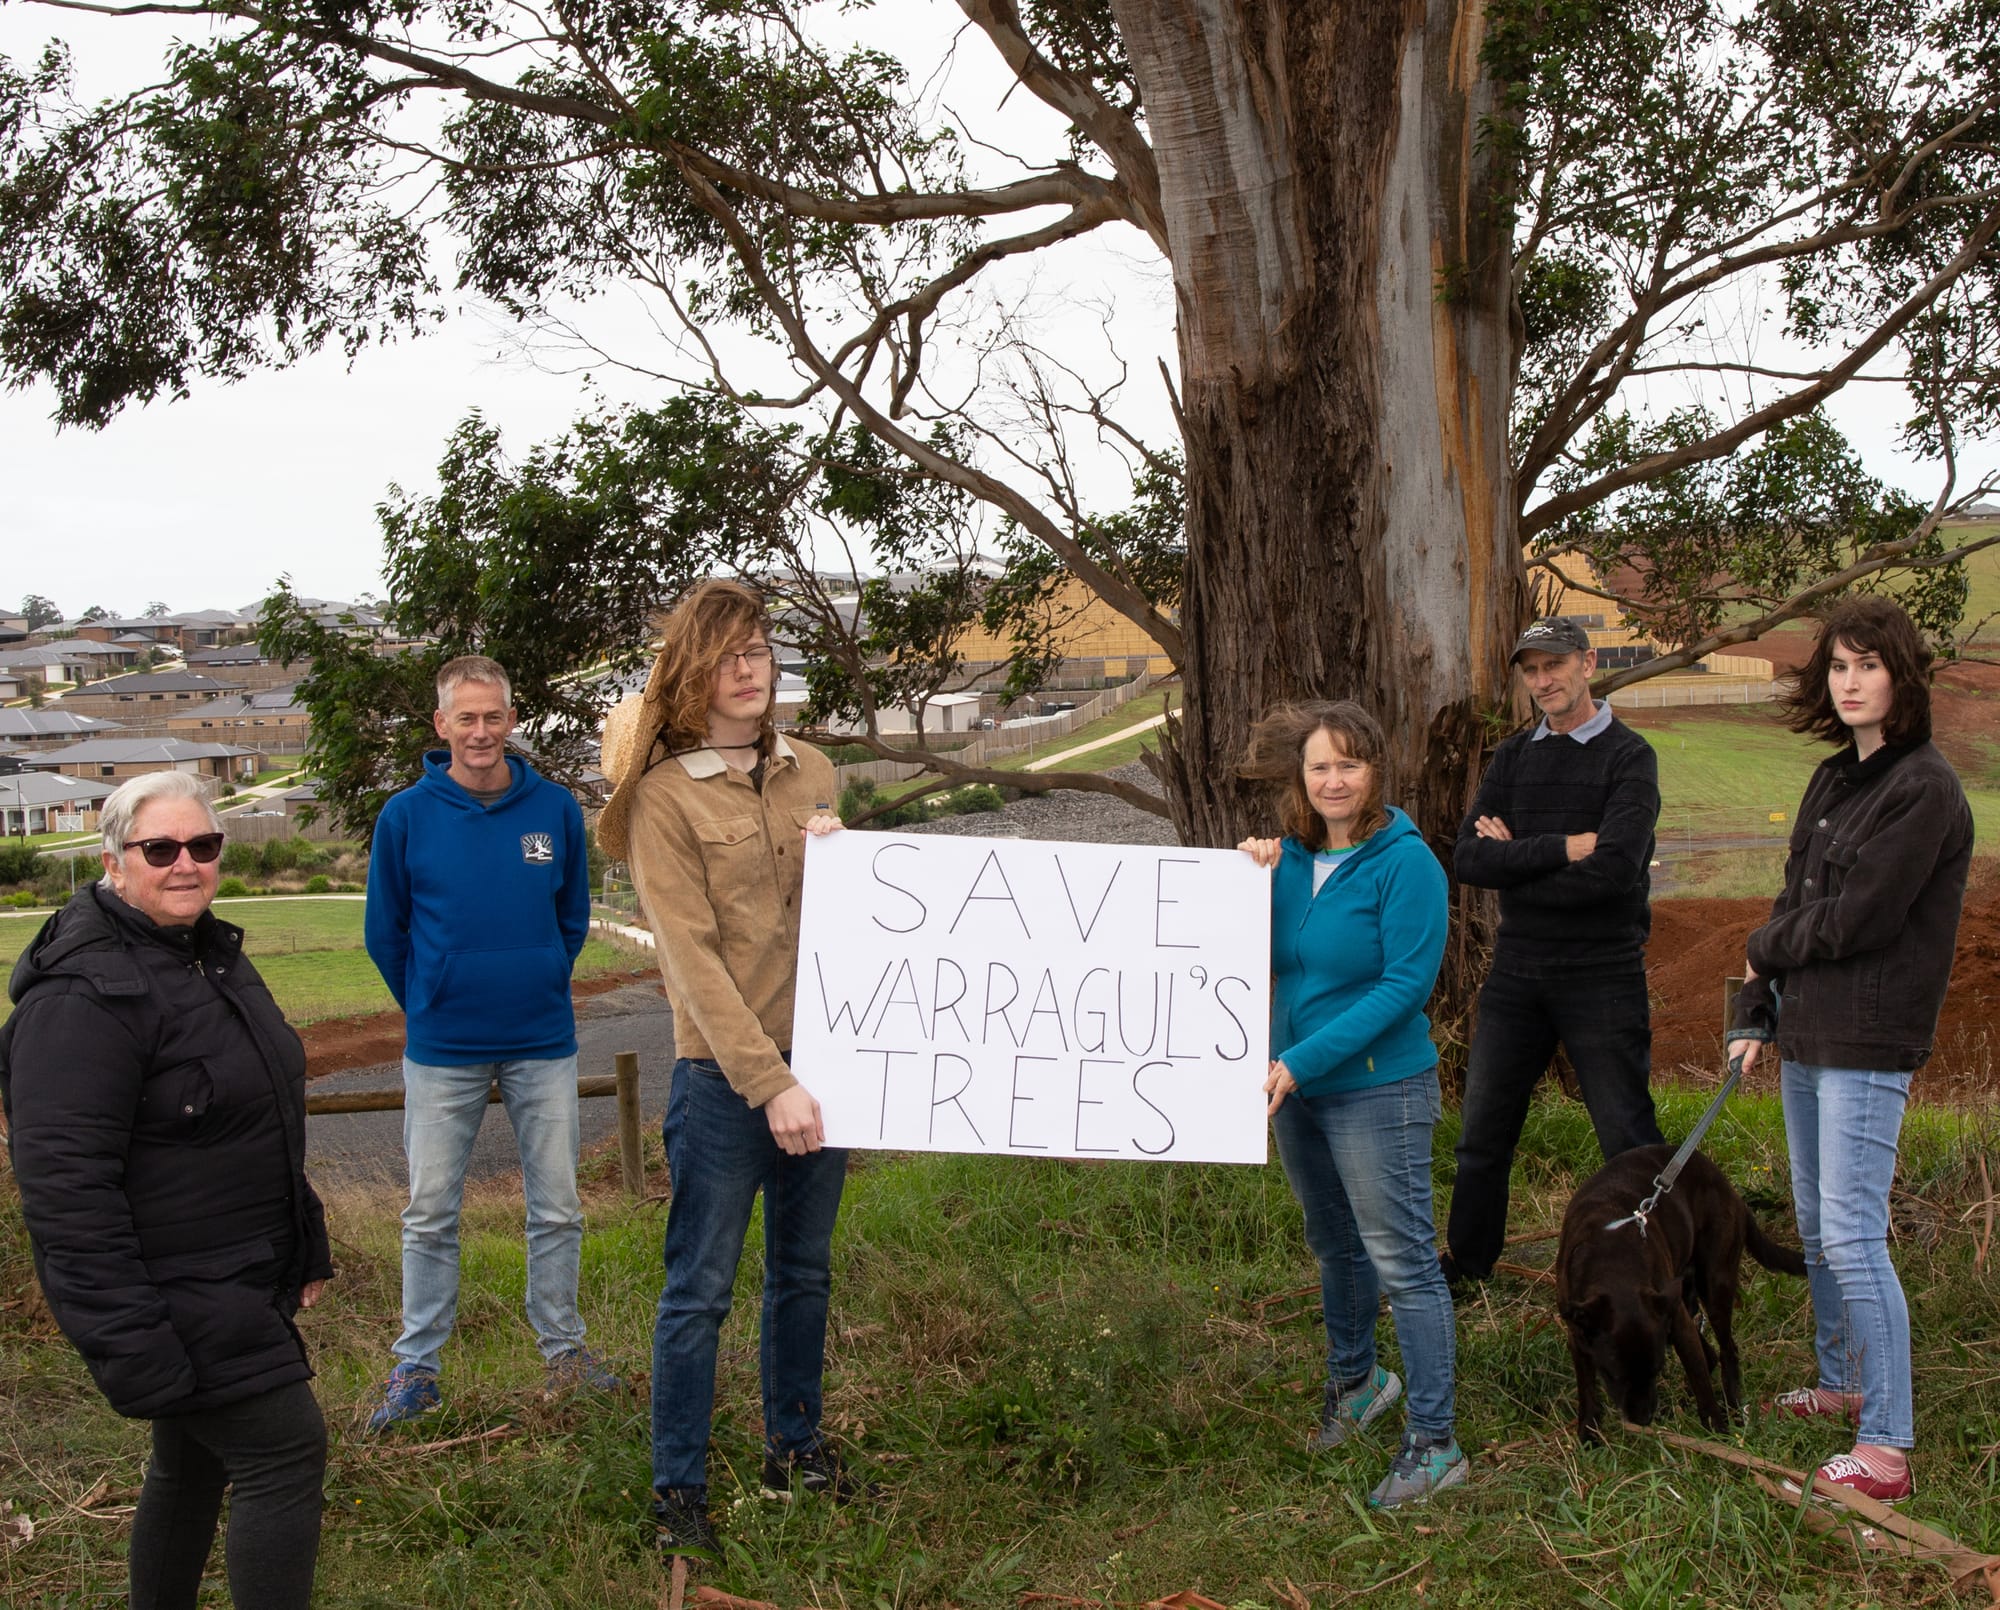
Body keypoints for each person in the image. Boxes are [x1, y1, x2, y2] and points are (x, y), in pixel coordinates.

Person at [1, 771, 333, 1609]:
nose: (185, 864)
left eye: (204, 845)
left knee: (190, 1464)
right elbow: (65, 1194)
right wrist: (128, 1336)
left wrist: (305, 1237)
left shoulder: (204, 957)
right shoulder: (82, 997)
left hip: (233, 1270)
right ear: (115, 863)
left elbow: (260, 1119)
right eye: (161, 849)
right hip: (173, 1288)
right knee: (282, 1453)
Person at [595, 579, 848, 1555]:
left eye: (758, 650)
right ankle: (678, 1493)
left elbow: (859, 927)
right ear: (691, 672)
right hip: (726, 1084)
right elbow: (691, 960)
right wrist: (769, 1082)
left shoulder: (813, 769)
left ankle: (797, 1448)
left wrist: (845, 858)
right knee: (697, 1287)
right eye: (727, 654)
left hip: (823, 1067)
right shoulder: (663, 798)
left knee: (804, 1272)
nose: (749, 669)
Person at [1728, 596, 1970, 1505]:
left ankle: (1886, 1450)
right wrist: (1757, 1010)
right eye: (1838, 666)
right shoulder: (1836, 778)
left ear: (1901, 677)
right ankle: (1845, 1383)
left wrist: (1765, 948)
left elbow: (1863, 918)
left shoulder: (1925, 788)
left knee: (1856, 1237)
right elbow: (1794, 901)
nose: (1852, 681)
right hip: (1810, 1030)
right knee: (1820, 1227)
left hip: (1869, 1036)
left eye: (1868, 665)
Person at [361, 653, 612, 1430]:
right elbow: (384, 932)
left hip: (543, 1038)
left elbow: (572, 917)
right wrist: (432, 997)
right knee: (431, 1210)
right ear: (441, 725)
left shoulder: (556, 809)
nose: (479, 731)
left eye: (492, 716)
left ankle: (564, 1355)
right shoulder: (406, 815)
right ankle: (416, 1369)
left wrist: (535, 976)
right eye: (464, 718)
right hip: (443, 1047)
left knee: (559, 1207)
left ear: (511, 720)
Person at [1238, 701, 1467, 1509]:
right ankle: (1359, 1384)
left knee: (1404, 1262)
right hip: (1297, 1087)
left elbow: (1405, 987)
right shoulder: (1290, 860)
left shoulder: (1408, 865)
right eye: (1319, 767)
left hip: (1376, 1089)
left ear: (1375, 771)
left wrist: (1298, 1061)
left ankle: (1436, 1442)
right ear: (1300, 779)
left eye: (1348, 764)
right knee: (1336, 1246)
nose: (1333, 780)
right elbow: (1241, 950)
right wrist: (1245, 875)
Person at [1444, 616, 1665, 1287]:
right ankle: (1468, 1267)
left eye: (1555, 665)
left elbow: (1615, 873)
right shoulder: (1513, 758)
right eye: (1531, 670)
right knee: (1482, 1136)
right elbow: (1469, 859)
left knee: (1626, 1136)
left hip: (1602, 974)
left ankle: (1653, 1270)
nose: (1543, 681)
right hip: (1518, 975)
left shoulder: (1630, 758)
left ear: (1588, 663)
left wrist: (1516, 860)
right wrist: (1563, 847)